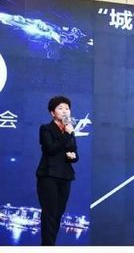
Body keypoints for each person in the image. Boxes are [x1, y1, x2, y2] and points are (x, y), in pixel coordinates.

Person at [36, 96, 79, 246]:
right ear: (52, 113)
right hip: (48, 175)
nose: (65, 111)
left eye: (67, 108)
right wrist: (67, 133)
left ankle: (50, 245)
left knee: (58, 214)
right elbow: (50, 149)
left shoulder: (69, 129)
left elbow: (74, 154)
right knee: (50, 214)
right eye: (60, 108)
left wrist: (73, 156)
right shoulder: (46, 129)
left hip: (65, 176)